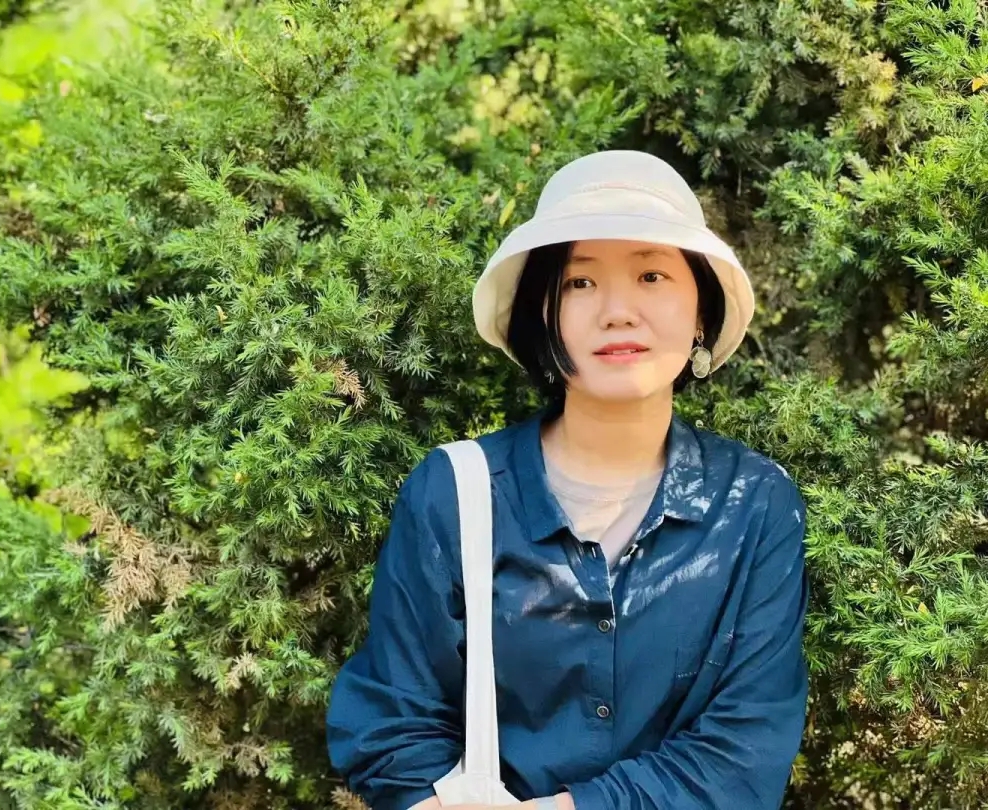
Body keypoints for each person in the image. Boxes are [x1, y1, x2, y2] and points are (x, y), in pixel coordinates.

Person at [325, 150, 809, 810]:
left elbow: (744, 753)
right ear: (543, 314)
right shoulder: (456, 492)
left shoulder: (753, 506)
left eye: (652, 275)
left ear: (701, 310)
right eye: (580, 282)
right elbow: (393, 724)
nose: (618, 311)